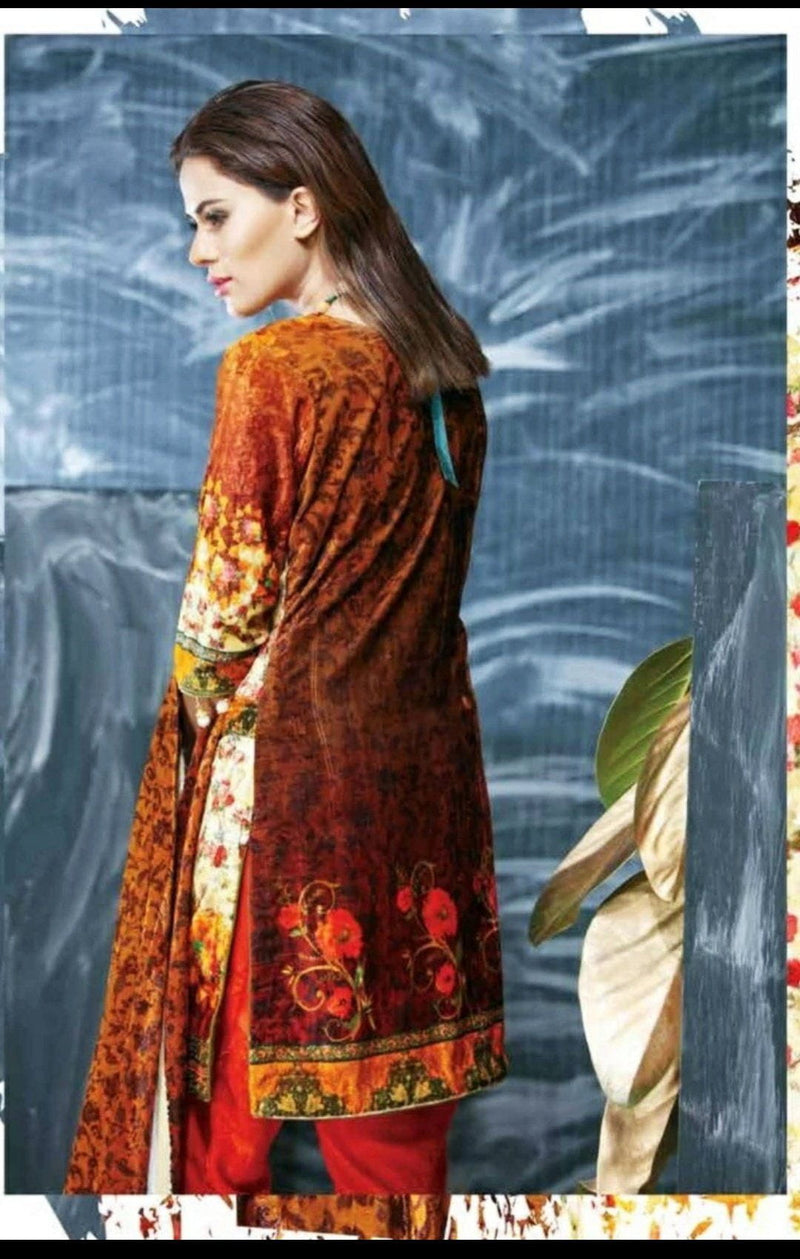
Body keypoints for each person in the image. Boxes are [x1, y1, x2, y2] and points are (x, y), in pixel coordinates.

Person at [63, 79, 506, 1197]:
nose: (199, 249)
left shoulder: (276, 370)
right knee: (394, 1157)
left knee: (210, 1144)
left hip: (289, 807)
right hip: (422, 809)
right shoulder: (447, 377)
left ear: (302, 206)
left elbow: (218, 624)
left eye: (216, 216)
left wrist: (201, 697)